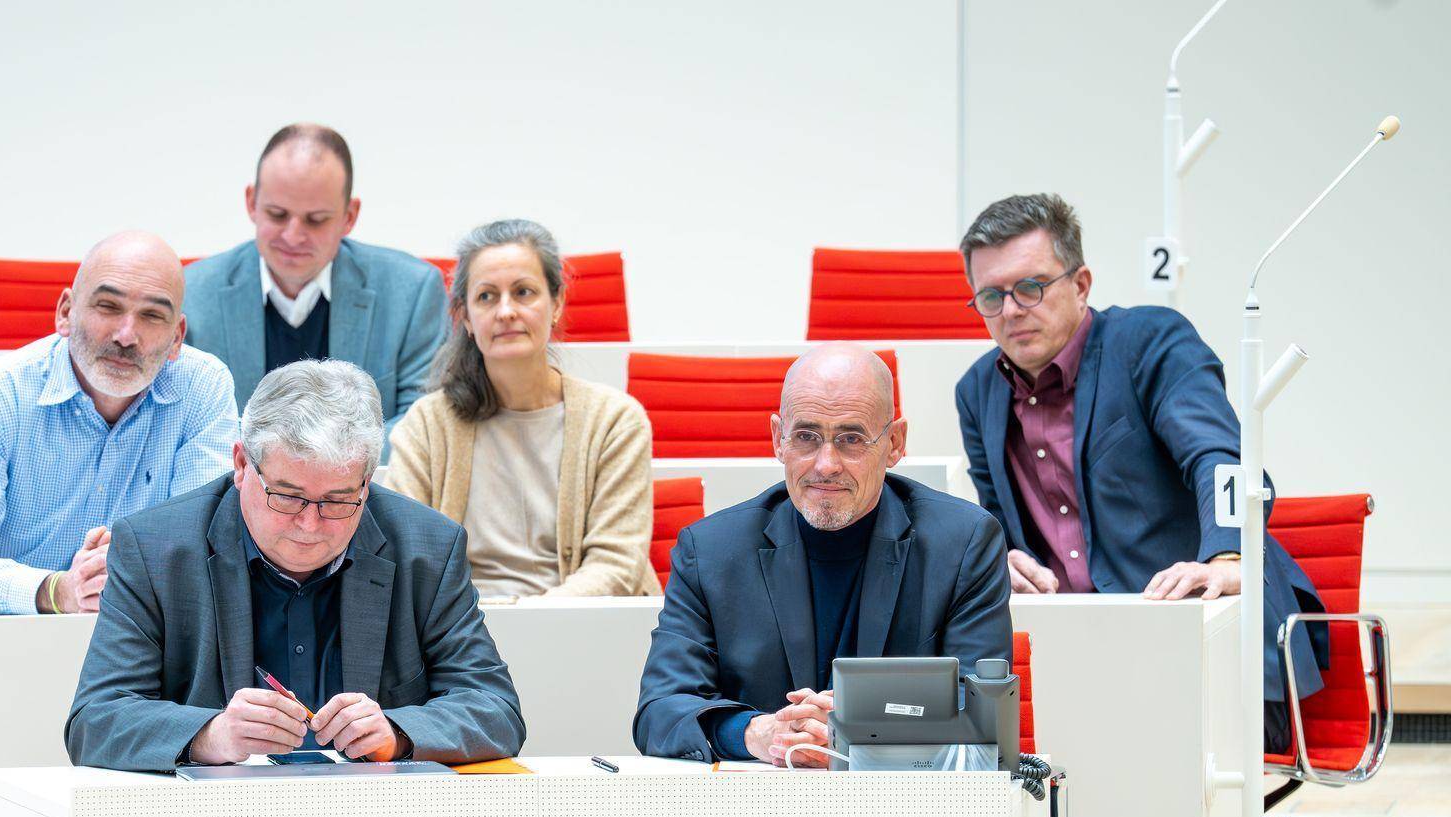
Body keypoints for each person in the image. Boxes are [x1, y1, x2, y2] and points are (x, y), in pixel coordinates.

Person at [951, 193, 1327, 750]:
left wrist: (1230, 558)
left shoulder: (1150, 341)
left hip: (1206, 644)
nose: (1010, 310)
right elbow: (996, 520)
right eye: (991, 295)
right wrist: (999, 562)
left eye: (1030, 287)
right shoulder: (976, 390)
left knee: (1103, 757)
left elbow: (1222, 458)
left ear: (1081, 284)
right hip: (1082, 657)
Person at [64, 359, 525, 771]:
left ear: (366, 483)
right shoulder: (154, 549)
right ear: (241, 465)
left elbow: (496, 709)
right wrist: (211, 735)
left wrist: (398, 734)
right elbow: (95, 720)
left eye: (337, 500)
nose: (309, 524)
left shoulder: (428, 549)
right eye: (287, 496)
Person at [634, 345, 1012, 766]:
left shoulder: (963, 544)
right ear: (778, 439)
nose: (826, 464)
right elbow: (660, 711)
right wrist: (758, 734)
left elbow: (982, 712)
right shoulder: (710, 552)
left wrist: (858, 732)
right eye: (806, 437)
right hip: (758, 800)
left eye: (851, 439)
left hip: (901, 801)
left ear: (894, 443)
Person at [0, 231, 239, 615]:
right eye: (107, 306)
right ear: (65, 312)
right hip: (13, 635)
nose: (126, 336)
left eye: (152, 315)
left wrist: (130, 576)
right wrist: (58, 591)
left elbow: (204, 550)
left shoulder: (202, 388)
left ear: (177, 338)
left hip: (148, 635)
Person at [384, 219, 658, 599]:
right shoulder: (427, 424)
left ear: (557, 303)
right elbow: (405, 558)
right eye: (486, 297)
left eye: (523, 292)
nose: (506, 311)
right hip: (460, 627)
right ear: (465, 317)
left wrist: (534, 621)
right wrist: (475, 626)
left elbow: (616, 565)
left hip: (583, 621)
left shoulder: (615, 420)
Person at [181, 123, 446, 440]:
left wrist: (330, 464)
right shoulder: (192, 294)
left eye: (316, 220)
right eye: (277, 214)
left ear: (349, 216)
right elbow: (187, 425)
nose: (293, 236)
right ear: (251, 203)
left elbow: (422, 427)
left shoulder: (413, 293)